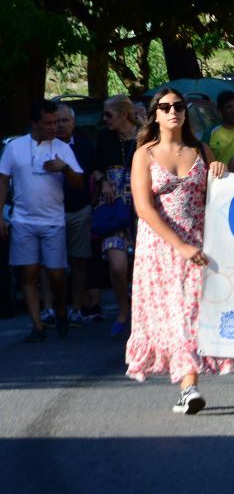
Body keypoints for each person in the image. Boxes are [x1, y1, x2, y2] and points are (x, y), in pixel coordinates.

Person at [125, 88, 234, 412]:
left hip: (198, 244)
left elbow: (220, 196)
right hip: (159, 250)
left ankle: (189, 386)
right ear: (155, 114)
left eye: (178, 106)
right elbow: (143, 208)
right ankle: (187, 385)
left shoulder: (200, 150)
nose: (173, 111)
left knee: (190, 314)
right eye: (165, 107)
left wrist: (218, 172)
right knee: (171, 317)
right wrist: (179, 246)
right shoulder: (144, 154)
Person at [0, 100, 85, 342]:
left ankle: (60, 310)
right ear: (33, 123)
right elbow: (3, 182)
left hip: (53, 221)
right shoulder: (15, 148)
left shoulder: (63, 148)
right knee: (28, 272)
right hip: (23, 220)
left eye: (56, 122)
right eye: (47, 123)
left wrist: (64, 168)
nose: (53, 127)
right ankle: (37, 326)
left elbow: (79, 183)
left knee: (57, 274)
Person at [95, 94, 140, 337]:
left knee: (140, 266)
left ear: (124, 115)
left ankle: (143, 312)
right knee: (116, 266)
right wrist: (102, 181)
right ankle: (123, 310)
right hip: (113, 208)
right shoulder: (104, 138)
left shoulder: (145, 136)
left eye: (108, 115)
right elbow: (94, 167)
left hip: (141, 208)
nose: (105, 120)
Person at [54, 104, 96, 325]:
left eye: (65, 121)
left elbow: (91, 175)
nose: (60, 126)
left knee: (79, 259)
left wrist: (91, 203)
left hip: (79, 209)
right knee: (53, 263)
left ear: (73, 123)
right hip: (51, 213)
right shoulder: (45, 146)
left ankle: (77, 307)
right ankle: (51, 309)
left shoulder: (85, 145)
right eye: (57, 121)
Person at [205, 90, 234, 166]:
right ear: (220, 110)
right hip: (218, 176)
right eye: (229, 107)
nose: (233, 111)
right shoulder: (211, 133)